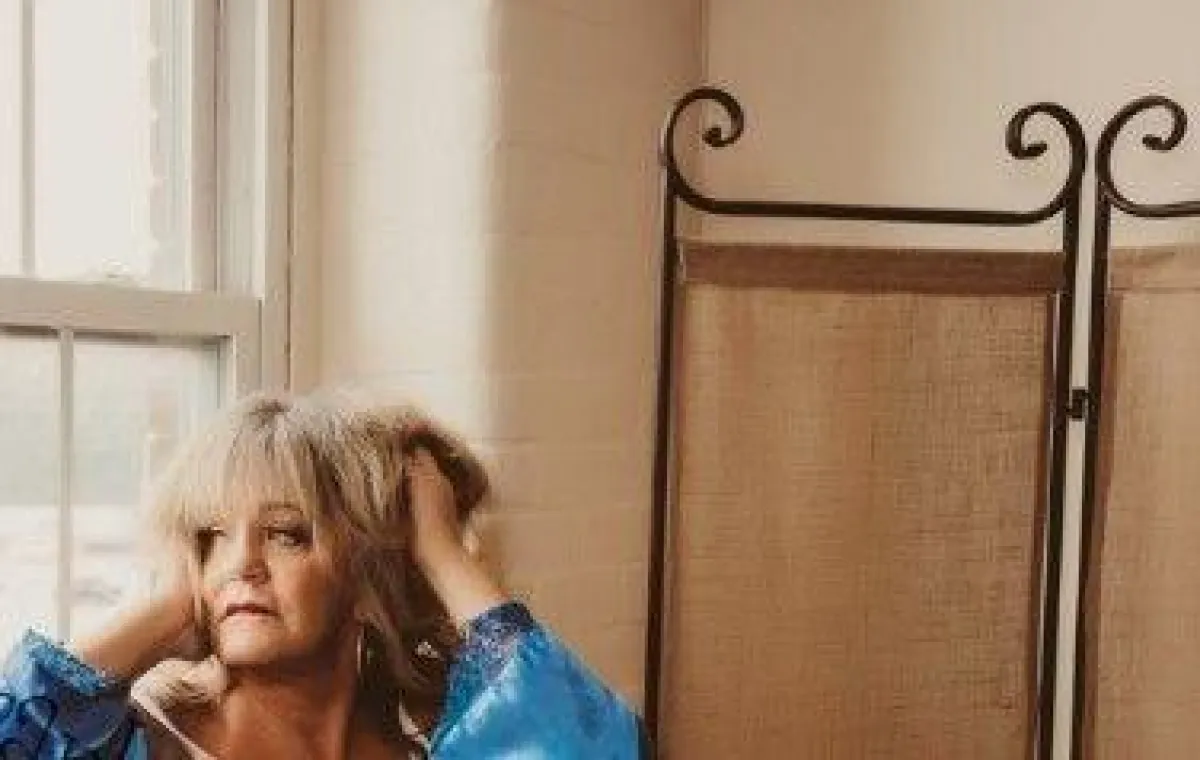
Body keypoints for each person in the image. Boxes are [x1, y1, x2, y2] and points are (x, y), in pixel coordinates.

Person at [1, 392, 645, 758]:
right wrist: (164, 610)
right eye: (212, 537)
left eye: (285, 533)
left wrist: (444, 556)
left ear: (365, 577)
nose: (242, 564)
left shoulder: (429, 745)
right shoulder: (152, 742)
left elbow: (595, 749)